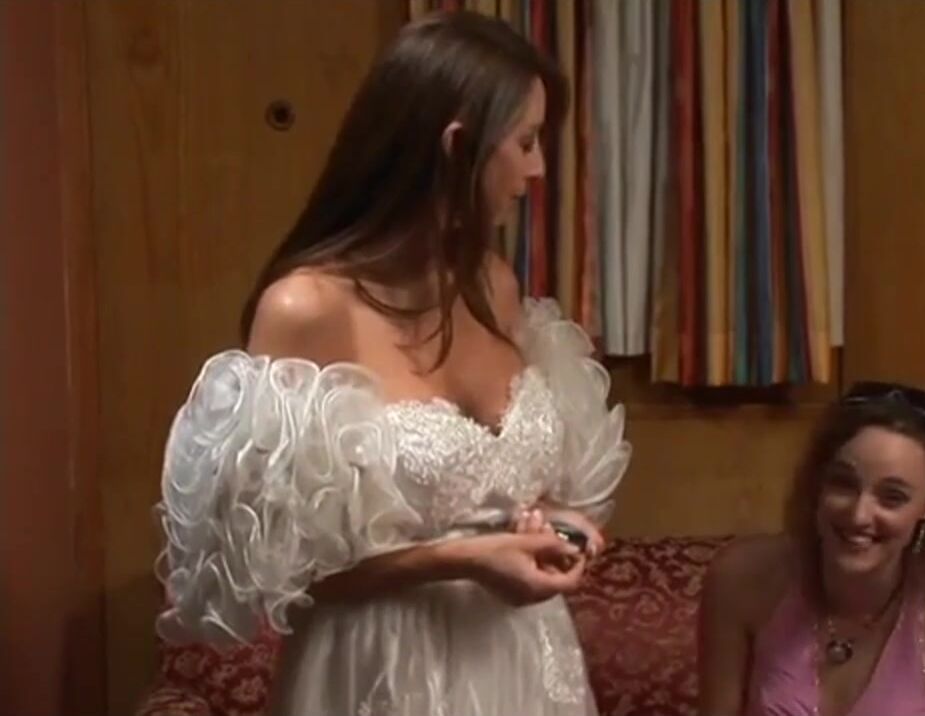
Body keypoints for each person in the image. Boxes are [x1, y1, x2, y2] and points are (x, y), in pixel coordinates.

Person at [153, 11, 630, 716]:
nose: (538, 169)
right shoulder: (308, 310)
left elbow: (496, 494)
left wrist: (552, 522)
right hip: (381, 672)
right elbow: (279, 576)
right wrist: (461, 561)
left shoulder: (491, 285)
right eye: (526, 142)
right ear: (456, 147)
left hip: (524, 661)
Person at [697, 382, 925, 716]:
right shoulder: (742, 577)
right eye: (843, 484)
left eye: (892, 497)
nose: (859, 515)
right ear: (818, 483)